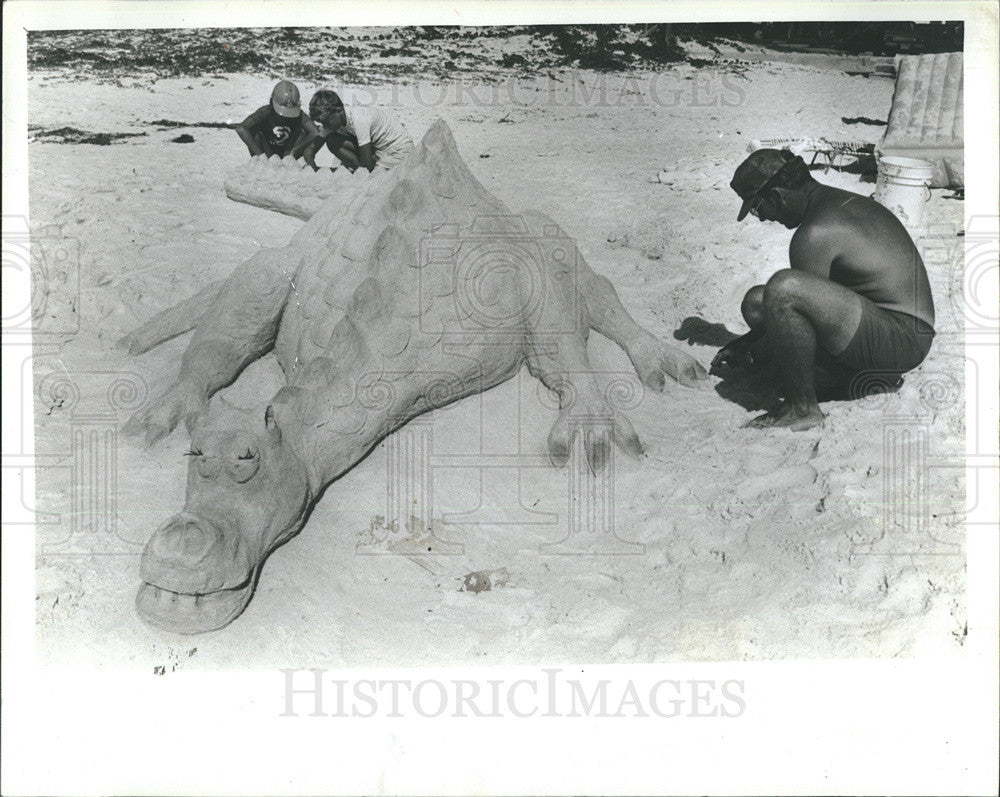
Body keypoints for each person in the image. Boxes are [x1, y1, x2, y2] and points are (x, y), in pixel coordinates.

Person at [712, 148, 935, 431]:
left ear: (778, 196)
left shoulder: (814, 233)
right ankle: (843, 380)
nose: (764, 218)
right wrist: (749, 344)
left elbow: (796, 310)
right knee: (758, 301)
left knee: (784, 288)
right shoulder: (837, 202)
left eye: (757, 208)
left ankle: (802, 408)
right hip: (893, 328)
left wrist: (752, 352)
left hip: (901, 340)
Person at [302, 89, 414, 172]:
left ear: (339, 110)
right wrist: (313, 169)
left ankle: (362, 172)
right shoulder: (333, 121)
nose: (325, 126)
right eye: (322, 123)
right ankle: (359, 170)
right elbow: (310, 149)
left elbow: (366, 163)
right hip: (378, 149)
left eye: (326, 121)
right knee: (332, 140)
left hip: (398, 150)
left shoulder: (359, 119)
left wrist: (365, 170)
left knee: (374, 178)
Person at [234, 80, 321, 160]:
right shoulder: (265, 112)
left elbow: (315, 132)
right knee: (255, 132)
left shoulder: (300, 115)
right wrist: (260, 155)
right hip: (266, 151)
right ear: (271, 102)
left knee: (303, 132)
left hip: (288, 152)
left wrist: (294, 152)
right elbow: (241, 129)